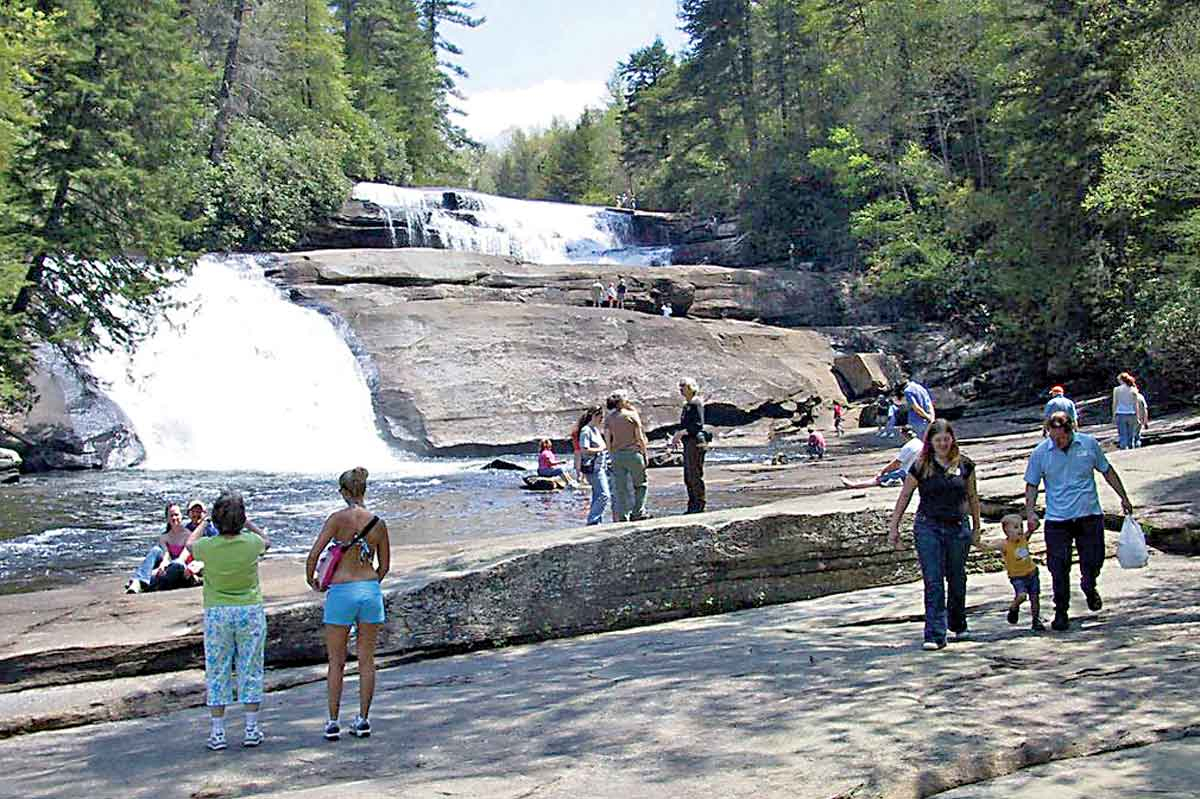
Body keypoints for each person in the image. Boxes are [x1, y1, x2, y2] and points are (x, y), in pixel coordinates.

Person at [1024, 411, 1134, 631]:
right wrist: (1030, 512)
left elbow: (1107, 471)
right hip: (1057, 519)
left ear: (1071, 430)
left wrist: (1123, 497)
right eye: (1053, 437)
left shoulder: (1089, 444)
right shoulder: (1041, 452)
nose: (1058, 442)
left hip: (1089, 515)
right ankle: (1061, 611)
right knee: (1058, 566)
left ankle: (1089, 584)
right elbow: (1032, 484)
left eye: (1061, 438)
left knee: (1094, 559)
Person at [305, 467, 390, 742]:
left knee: (336, 661)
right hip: (369, 590)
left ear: (344, 492)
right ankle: (363, 719)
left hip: (341, 591)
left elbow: (314, 555)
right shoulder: (378, 523)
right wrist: (369, 583)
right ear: (364, 490)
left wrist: (313, 580)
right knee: (367, 659)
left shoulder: (337, 519)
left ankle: (332, 721)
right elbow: (385, 566)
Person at [888, 419, 981, 651]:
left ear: (952, 439)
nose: (943, 444)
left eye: (946, 439)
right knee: (934, 581)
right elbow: (905, 495)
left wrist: (977, 527)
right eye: (938, 440)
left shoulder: (965, 465)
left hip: (958, 527)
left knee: (957, 578)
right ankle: (935, 634)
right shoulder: (921, 466)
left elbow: (973, 497)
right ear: (930, 441)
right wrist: (894, 526)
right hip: (928, 527)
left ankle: (958, 624)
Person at [191, 490, 270, 750]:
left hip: (218, 612)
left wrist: (203, 523)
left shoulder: (208, 547)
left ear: (216, 519)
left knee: (217, 669)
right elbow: (266, 541)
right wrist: (247, 522)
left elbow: (189, 545)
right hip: (249, 610)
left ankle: (218, 732)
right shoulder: (250, 543)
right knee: (250, 667)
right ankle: (251, 728)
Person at [976, 514, 1046, 632]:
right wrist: (975, 541)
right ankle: (1014, 607)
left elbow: (1033, 528)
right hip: (1017, 577)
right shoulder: (1004, 544)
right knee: (1022, 596)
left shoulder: (1023, 538)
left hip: (1032, 573)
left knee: (1035, 597)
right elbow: (987, 547)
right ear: (1006, 531)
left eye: (1021, 527)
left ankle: (1036, 619)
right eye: (1015, 527)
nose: (1020, 530)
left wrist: (1034, 523)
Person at [125, 503, 200, 594]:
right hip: (168, 572)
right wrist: (163, 564)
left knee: (177, 564)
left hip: (183, 571)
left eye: (176, 515)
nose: (174, 518)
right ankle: (140, 581)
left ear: (181, 516)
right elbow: (166, 554)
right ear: (167, 519)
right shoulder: (164, 537)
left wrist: (155, 571)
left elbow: (182, 558)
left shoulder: (189, 535)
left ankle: (140, 581)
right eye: (171, 515)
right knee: (156, 550)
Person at [605, 392, 650, 522]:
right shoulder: (631, 416)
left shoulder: (609, 419)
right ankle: (638, 511)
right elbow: (640, 438)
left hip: (617, 455)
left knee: (621, 488)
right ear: (622, 402)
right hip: (633, 454)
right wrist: (644, 453)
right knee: (640, 485)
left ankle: (623, 516)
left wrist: (611, 454)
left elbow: (608, 439)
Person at [669, 378, 708, 514]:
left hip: (696, 442)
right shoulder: (687, 404)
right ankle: (692, 505)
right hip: (689, 442)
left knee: (694, 475)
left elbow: (697, 425)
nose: (681, 389)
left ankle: (698, 505)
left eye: (683, 386)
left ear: (691, 387)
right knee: (688, 476)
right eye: (680, 386)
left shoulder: (696, 403)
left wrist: (680, 434)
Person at [841, 428, 921, 489]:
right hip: (917, 472)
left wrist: (883, 471)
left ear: (903, 434)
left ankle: (854, 485)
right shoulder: (920, 443)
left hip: (907, 473)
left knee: (878, 479)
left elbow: (896, 463)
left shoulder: (908, 447)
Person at [578, 406, 611, 525]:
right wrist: (599, 449)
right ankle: (592, 520)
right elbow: (584, 449)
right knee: (604, 495)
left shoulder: (595, 430)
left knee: (597, 495)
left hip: (601, 467)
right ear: (594, 416)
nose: (601, 420)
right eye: (600, 417)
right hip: (593, 468)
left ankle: (596, 521)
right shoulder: (586, 430)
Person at [1112, 372, 1139, 449]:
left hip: (1120, 413)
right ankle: (1131, 449)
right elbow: (1135, 404)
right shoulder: (1133, 389)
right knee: (1131, 435)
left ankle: (1124, 449)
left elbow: (1115, 403)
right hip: (1132, 413)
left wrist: (1114, 415)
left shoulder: (1116, 389)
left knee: (1123, 435)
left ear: (1121, 380)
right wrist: (1137, 416)